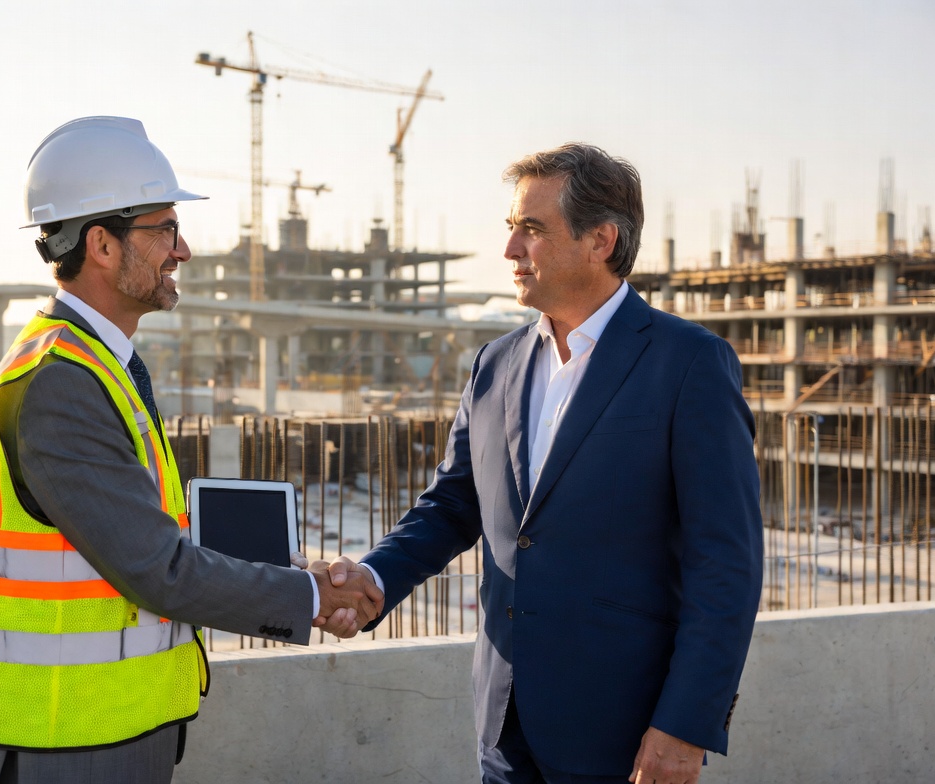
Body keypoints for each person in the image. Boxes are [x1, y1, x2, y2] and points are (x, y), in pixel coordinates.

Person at [0, 116, 382, 784]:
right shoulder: (61, 384)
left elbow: (152, 530)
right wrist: (307, 596)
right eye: (165, 229)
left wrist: (295, 569)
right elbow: (157, 569)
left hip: (96, 733)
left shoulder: (96, 366)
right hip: (62, 743)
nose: (184, 250)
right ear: (104, 246)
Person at [319, 143, 763, 784]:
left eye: (532, 230)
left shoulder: (689, 362)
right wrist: (374, 579)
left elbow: (727, 564)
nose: (510, 252)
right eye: (511, 229)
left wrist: (687, 724)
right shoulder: (496, 363)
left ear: (600, 240)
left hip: (625, 728)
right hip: (504, 719)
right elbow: (453, 504)